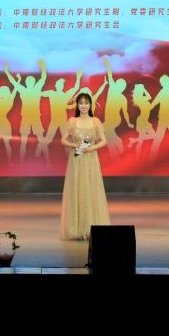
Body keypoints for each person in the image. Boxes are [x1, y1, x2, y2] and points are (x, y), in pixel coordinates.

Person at [59, 91, 110, 240]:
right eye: (81, 103)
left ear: (90, 105)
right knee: (77, 189)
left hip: (91, 159)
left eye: (86, 103)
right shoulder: (72, 121)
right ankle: (76, 229)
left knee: (91, 189)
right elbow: (63, 140)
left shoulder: (95, 121)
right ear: (77, 105)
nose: (83, 106)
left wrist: (91, 148)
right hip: (76, 160)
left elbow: (103, 140)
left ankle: (91, 228)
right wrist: (75, 145)